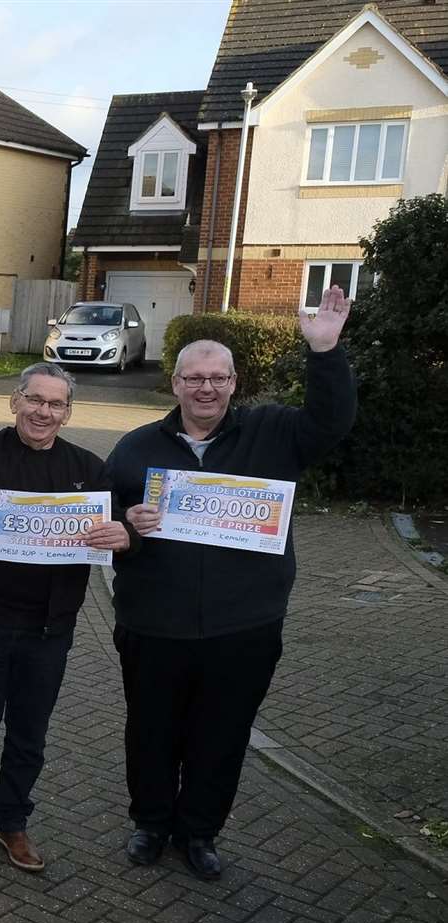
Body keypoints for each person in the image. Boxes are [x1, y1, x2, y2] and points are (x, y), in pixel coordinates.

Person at [108, 285, 357, 881]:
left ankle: (199, 832)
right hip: (154, 624)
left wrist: (324, 353)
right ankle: (150, 823)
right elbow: (102, 518)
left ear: (233, 383)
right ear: (175, 384)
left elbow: (332, 422)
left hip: (243, 626)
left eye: (218, 378)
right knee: (151, 730)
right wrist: (127, 524)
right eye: (194, 378)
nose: (206, 388)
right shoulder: (136, 447)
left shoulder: (274, 433)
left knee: (221, 736)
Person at [0, 354, 132, 872]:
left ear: (68, 413)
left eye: (56, 404)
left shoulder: (88, 469)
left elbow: (125, 524)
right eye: (34, 399)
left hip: (49, 628)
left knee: (29, 733)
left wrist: (127, 534)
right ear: (15, 402)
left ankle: (12, 822)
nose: (43, 412)